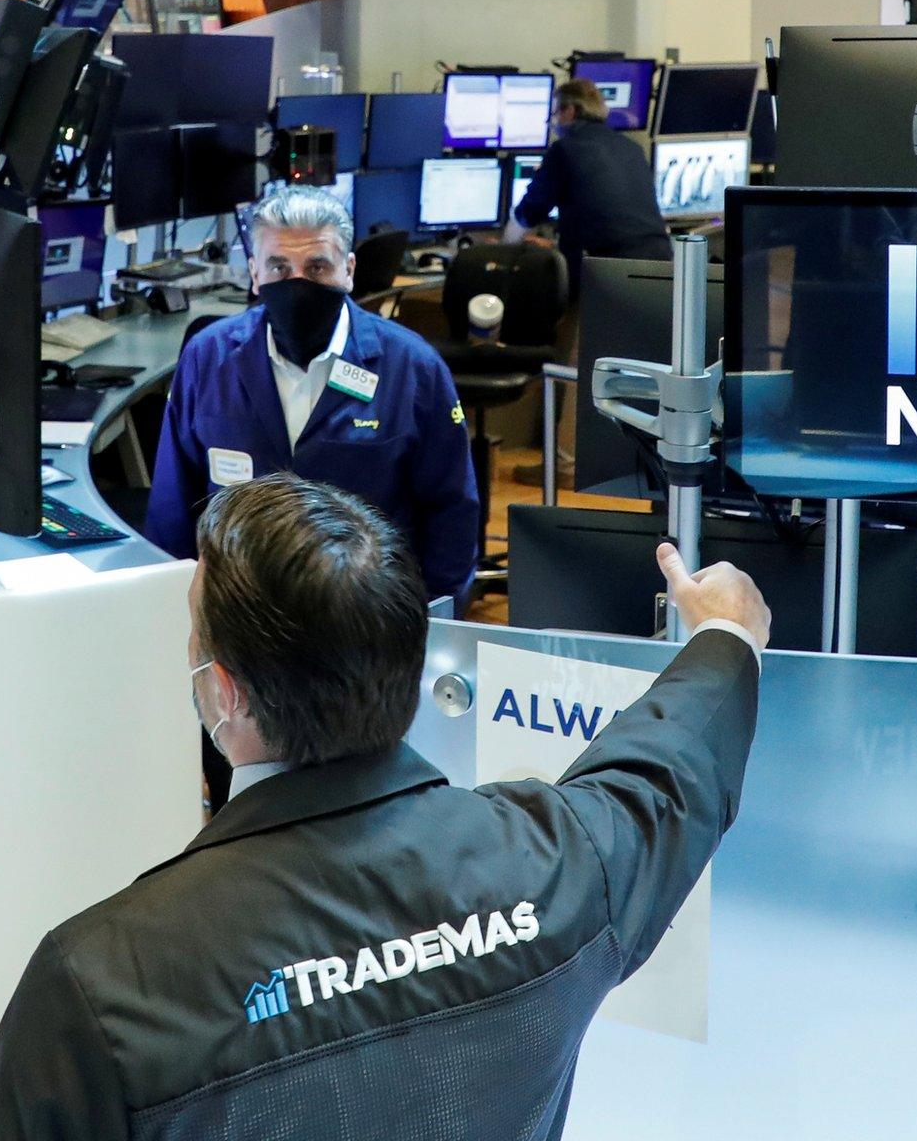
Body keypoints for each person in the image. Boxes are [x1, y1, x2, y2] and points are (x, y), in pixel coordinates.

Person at [0, 472, 769, 1141]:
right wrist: (724, 638)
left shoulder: (98, 988)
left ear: (226, 692)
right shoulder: (561, 865)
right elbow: (668, 773)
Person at [144, 184, 479, 812]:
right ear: (253, 273)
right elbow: (172, 511)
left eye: (317, 267)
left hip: (363, 650)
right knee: (247, 818)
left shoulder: (412, 368)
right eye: (279, 267)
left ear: (349, 270)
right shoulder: (208, 359)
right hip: (242, 653)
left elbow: (451, 518)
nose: (297, 281)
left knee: (360, 815)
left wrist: (428, 650)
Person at [507, 78, 672, 295]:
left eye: (555, 114)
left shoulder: (564, 150)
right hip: (660, 264)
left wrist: (504, 249)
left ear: (571, 111)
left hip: (605, 270)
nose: (554, 124)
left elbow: (529, 213)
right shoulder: (631, 148)